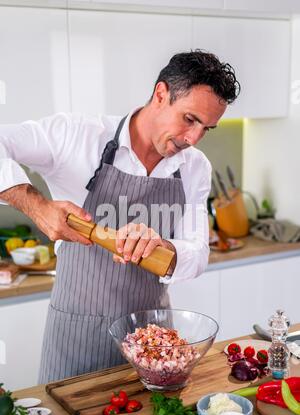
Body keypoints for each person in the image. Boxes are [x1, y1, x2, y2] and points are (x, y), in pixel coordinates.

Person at [0, 50, 240, 383]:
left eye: (206, 128)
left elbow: (197, 254)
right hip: (76, 336)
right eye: (189, 119)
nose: (193, 139)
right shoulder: (77, 136)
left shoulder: (195, 167)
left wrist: (163, 248)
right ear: (160, 95)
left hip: (153, 345)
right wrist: (36, 205)